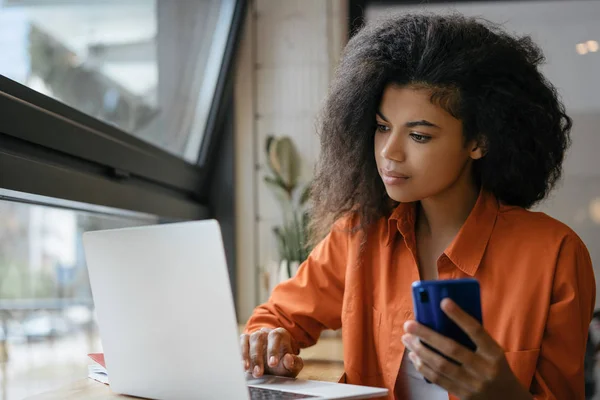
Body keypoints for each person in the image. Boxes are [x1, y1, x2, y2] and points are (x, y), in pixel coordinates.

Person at [241, 13, 596, 400]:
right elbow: (276, 318)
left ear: (479, 141)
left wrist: (503, 392)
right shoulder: (358, 236)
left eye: (419, 135)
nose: (390, 152)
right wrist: (266, 342)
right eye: (381, 127)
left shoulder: (554, 254)